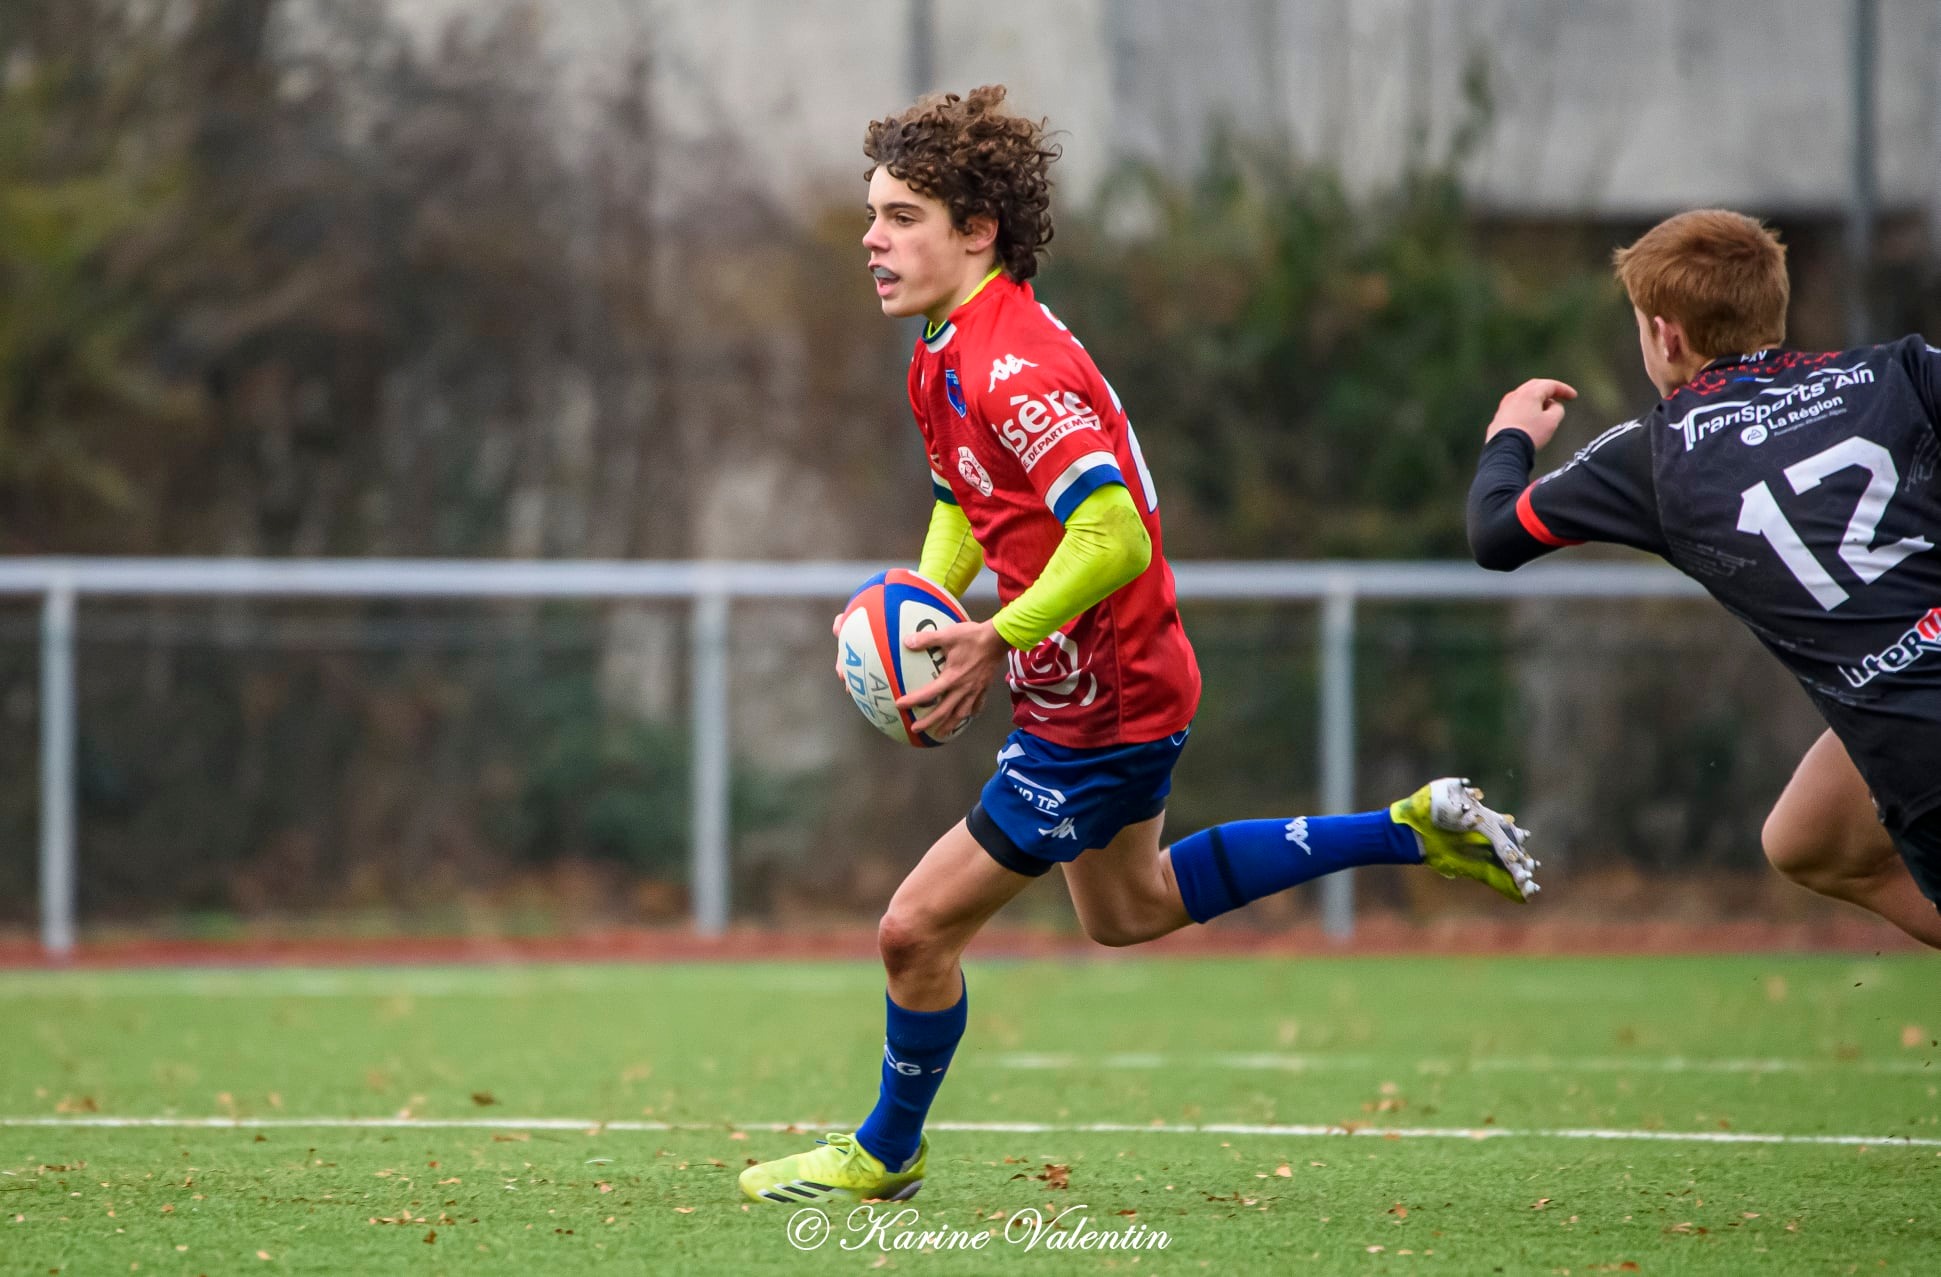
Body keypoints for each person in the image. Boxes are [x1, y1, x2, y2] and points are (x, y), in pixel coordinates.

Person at [739, 86, 1537, 1207]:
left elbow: (1108, 530)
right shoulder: (941, 351)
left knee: (913, 930)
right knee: (1130, 909)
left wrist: (989, 641)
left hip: (1102, 705)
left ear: (979, 231)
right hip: (1101, 685)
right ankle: (1407, 829)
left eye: (903, 214)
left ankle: (885, 1149)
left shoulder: (1013, 365)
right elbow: (968, 502)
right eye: (873, 212)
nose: (873, 236)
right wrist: (926, 604)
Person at [1468, 207, 1941, 949]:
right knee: (1803, 837)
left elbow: (1494, 532)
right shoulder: (1897, 372)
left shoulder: (1656, 455)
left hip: (1913, 741)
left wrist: (1508, 436)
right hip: (1912, 702)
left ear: (1665, 334)